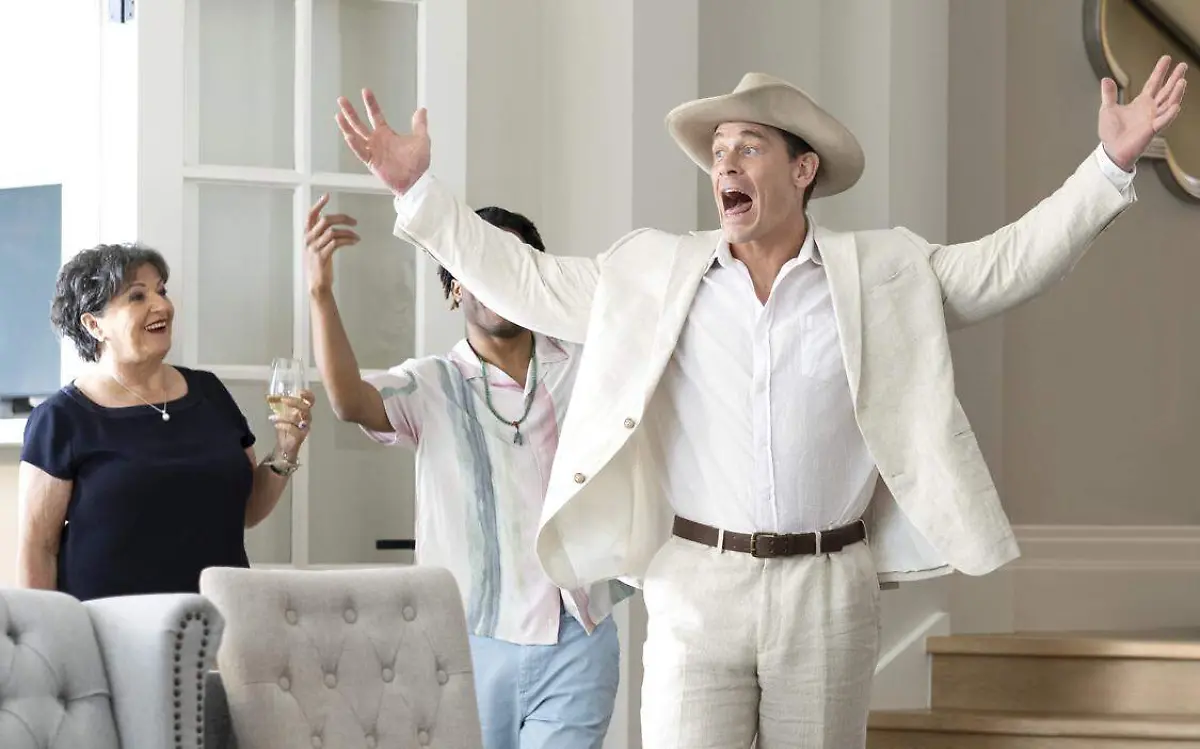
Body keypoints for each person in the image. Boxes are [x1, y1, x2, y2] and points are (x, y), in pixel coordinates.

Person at [333, 55, 1187, 748]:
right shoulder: (654, 274)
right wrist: (419, 195)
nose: (725, 165)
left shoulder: (882, 273)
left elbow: (1006, 265)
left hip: (828, 586)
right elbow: (524, 277)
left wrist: (1107, 168)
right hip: (695, 584)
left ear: (802, 169)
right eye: (718, 152)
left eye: (748, 147)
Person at [303, 194, 624, 749]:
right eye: (481, 267)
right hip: (466, 645)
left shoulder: (589, 365)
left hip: (577, 636)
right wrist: (320, 294)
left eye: (511, 266)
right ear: (454, 289)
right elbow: (350, 401)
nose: (498, 281)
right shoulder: (430, 383)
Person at [17, 243, 313, 601]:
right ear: (94, 325)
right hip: (109, 625)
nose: (162, 306)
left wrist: (285, 448)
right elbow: (38, 548)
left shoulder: (209, 393)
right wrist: (47, 630)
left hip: (220, 617)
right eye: (137, 296)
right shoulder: (61, 419)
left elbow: (248, 511)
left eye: (161, 291)